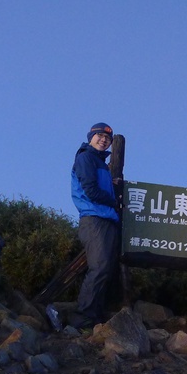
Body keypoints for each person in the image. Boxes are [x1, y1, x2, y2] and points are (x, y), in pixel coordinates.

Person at [70, 122, 120, 328]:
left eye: (107, 138)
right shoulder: (86, 158)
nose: (104, 140)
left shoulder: (100, 164)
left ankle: (95, 317)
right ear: (90, 137)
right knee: (99, 267)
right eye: (99, 136)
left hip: (106, 220)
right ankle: (83, 319)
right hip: (94, 219)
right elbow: (91, 191)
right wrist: (114, 201)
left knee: (106, 269)